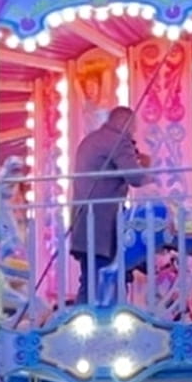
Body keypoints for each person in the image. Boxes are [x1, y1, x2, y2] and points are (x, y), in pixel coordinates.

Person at [68, 106, 151, 305]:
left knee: (90, 280)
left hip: (83, 221)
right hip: (104, 224)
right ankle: (108, 318)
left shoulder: (90, 140)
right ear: (126, 123)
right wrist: (150, 169)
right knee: (110, 278)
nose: (133, 132)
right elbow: (136, 178)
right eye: (133, 127)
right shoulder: (118, 140)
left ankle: (80, 317)